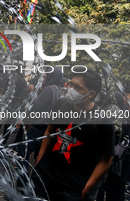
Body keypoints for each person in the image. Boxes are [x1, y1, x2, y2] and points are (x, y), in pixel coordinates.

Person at [32, 69, 115, 201]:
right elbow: (49, 130)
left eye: (78, 87)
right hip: (45, 178)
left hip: (72, 188)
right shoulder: (61, 104)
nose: (71, 89)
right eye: (71, 84)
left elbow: (106, 160)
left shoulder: (102, 120)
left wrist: (87, 187)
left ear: (91, 93)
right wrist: (40, 160)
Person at [19, 67, 63, 170]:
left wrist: (31, 93)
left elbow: (37, 106)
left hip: (38, 128)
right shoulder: (57, 89)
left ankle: (22, 181)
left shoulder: (49, 89)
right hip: (45, 127)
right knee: (37, 156)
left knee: (24, 153)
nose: (43, 79)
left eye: (45, 76)